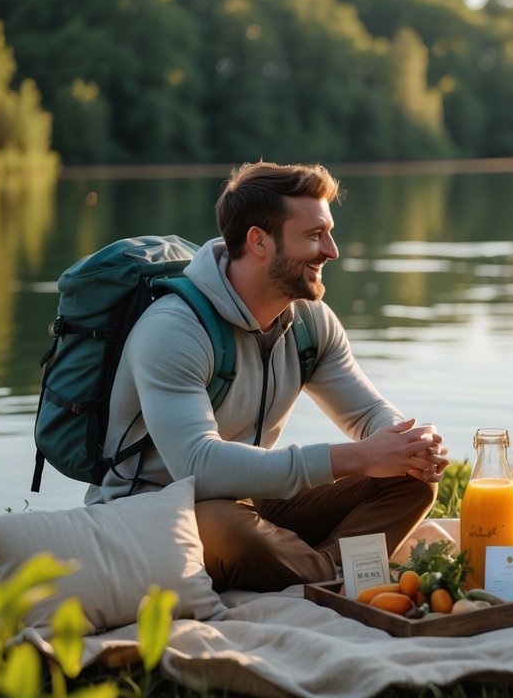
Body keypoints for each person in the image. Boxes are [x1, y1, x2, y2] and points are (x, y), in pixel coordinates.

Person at [86, 161, 448, 592]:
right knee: (232, 532)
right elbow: (197, 465)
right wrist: (355, 458)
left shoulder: (311, 322)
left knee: (409, 481)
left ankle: (317, 571)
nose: (332, 250)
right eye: (315, 235)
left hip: (252, 501)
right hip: (158, 509)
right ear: (258, 241)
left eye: (329, 232)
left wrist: (404, 445)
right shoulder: (174, 329)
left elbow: (367, 411)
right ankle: (340, 575)